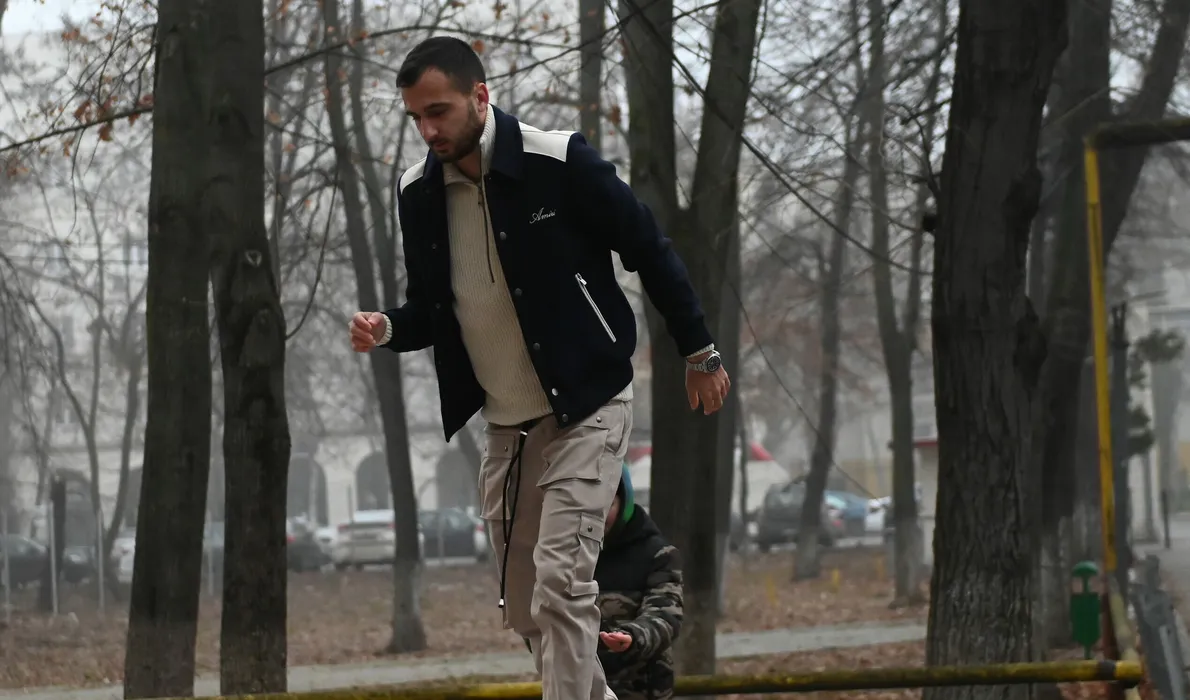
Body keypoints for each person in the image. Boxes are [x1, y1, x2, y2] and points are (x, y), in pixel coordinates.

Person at [347, 36, 729, 700]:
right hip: (508, 428)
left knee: (560, 587)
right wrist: (388, 328)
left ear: (480, 96)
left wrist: (699, 352)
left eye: (438, 111)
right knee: (528, 610)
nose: (428, 130)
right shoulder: (417, 193)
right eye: (415, 118)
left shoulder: (558, 162)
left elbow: (648, 246)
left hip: (590, 407)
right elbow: (432, 310)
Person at [595, 465, 683, 700]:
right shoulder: (569, 555)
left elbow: (665, 615)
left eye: (607, 505)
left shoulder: (658, 554)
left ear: (624, 503)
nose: (597, 517)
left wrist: (633, 637)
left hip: (642, 689)